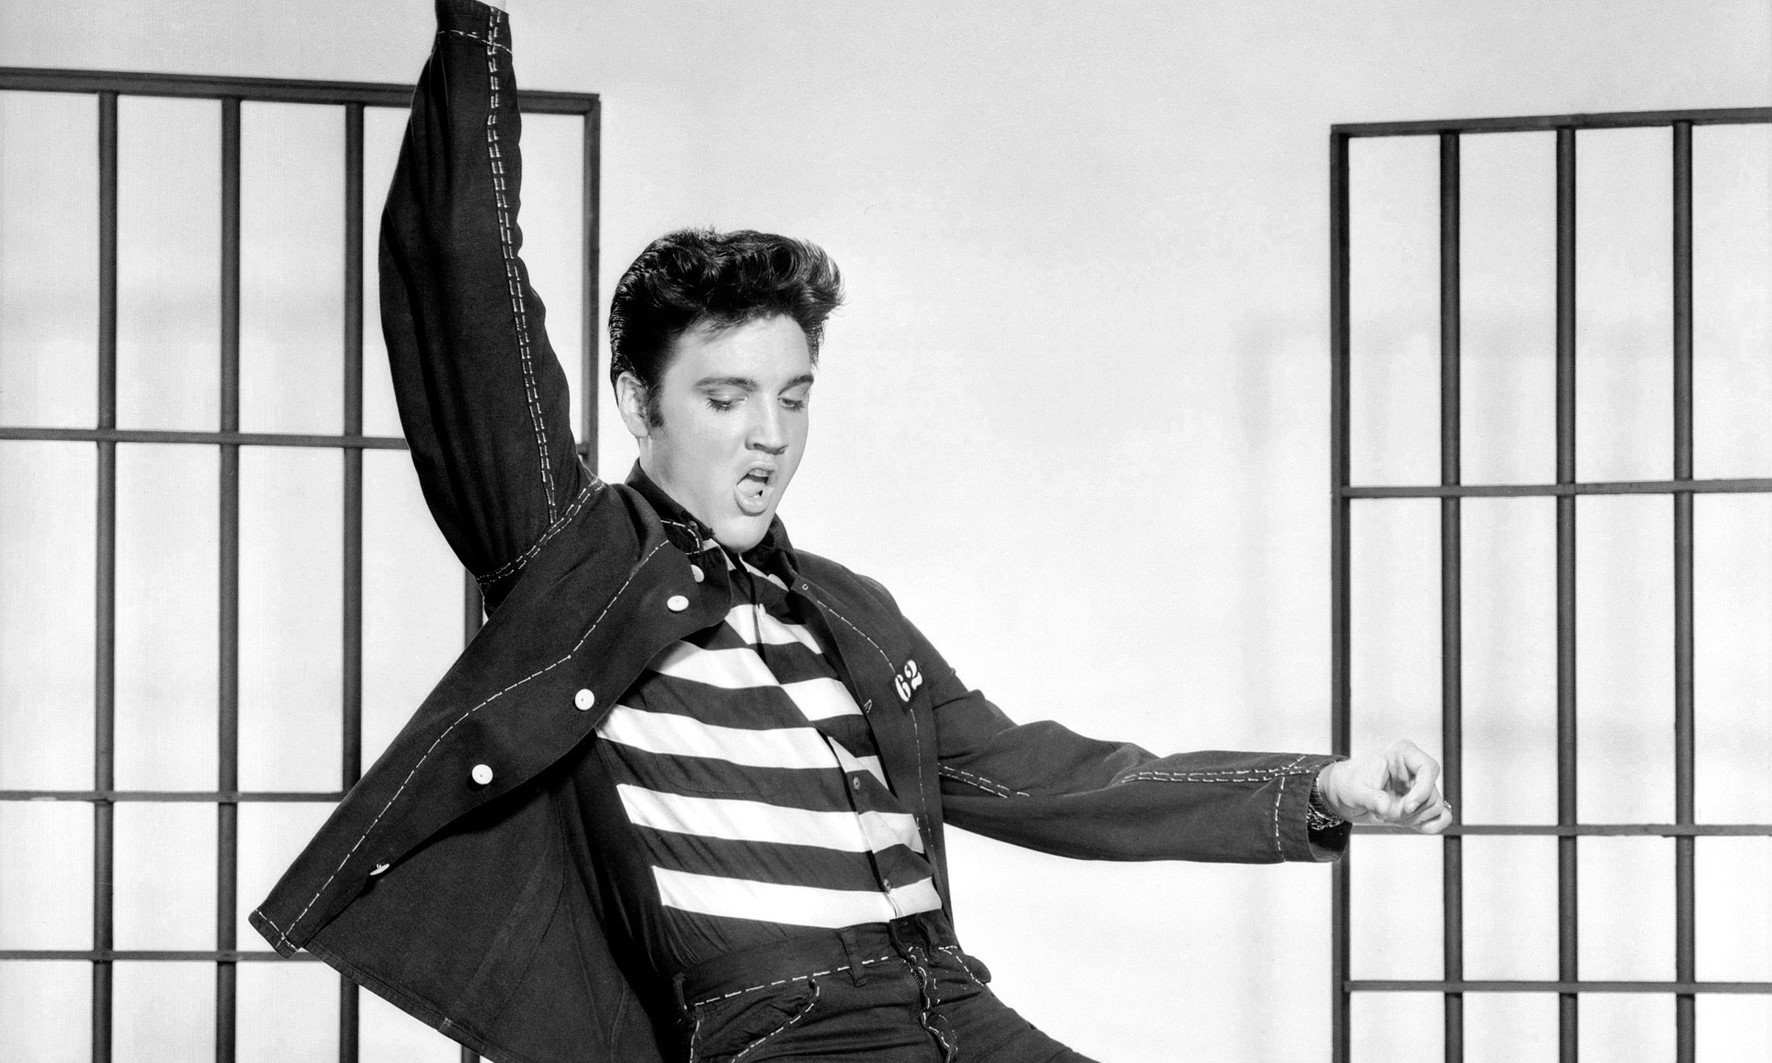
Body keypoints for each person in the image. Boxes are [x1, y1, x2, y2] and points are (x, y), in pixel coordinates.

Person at [253, 1, 1452, 1060]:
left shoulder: (845, 612)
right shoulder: (575, 559)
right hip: (781, 1026)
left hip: (951, 1003)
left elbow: (1042, 778)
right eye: (724, 399)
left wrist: (1319, 788)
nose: (766, 437)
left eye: (793, 395)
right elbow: (464, 288)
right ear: (636, 404)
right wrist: (474, 28)